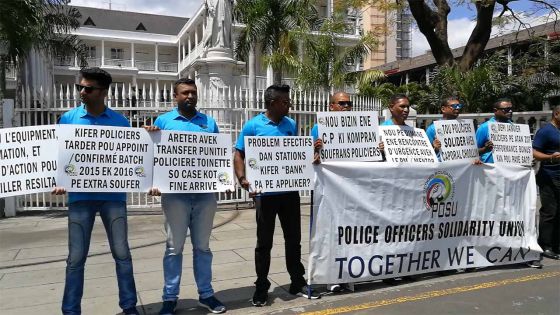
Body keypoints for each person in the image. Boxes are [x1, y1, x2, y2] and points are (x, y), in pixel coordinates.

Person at [53, 67, 139, 315]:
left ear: (103, 92)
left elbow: (131, 158)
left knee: (122, 254)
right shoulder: (68, 119)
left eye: (88, 88)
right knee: (76, 258)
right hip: (80, 199)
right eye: (80, 87)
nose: (82, 91)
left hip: (113, 199)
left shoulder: (121, 122)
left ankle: (129, 306)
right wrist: (59, 179)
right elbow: (58, 156)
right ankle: (70, 310)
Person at [233, 84, 321, 307]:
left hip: (289, 193)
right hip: (265, 194)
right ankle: (261, 286)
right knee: (264, 242)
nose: (289, 104)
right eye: (285, 101)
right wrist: (243, 179)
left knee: (294, 240)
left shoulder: (290, 124)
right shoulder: (253, 125)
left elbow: (295, 154)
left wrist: (314, 150)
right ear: (272, 103)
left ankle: (296, 281)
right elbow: (239, 154)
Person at [145, 78, 226, 315]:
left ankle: (206, 294)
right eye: (184, 93)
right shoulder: (163, 121)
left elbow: (217, 155)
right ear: (175, 96)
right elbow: (152, 154)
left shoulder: (208, 122)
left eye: (193, 92)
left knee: (203, 248)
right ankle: (170, 298)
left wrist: (224, 179)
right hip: (175, 196)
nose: (190, 96)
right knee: (174, 248)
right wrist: (153, 181)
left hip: (204, 195)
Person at [533, 105, 560, 262]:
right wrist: (550, 158)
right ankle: (545, 246)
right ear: (556, 114)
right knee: (550, 212)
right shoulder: (545, 131)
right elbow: (534, 152)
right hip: (549, 176)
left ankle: (556, 244)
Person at [311, 91, 353, 165]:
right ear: (331, 107)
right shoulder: (318, 128)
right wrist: (316, 150)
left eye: (349, 103)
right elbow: (310, 157)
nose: (346, 106)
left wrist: (378, 149)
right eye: (342, 103)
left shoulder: (357, 128)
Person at [475, 99, 514, 163]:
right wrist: (485, 149)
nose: (510, 111)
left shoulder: (514, 127)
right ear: (495, 110)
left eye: (511, 108)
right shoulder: (484, 127)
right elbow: (473, 152)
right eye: (506, 109)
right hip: (490, 169)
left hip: (508, 169)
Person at [426, 96, 464, 161]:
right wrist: (434, 147)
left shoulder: (463, 127)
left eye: (459, 105)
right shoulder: (432, 128)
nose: (457, 108)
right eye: (454, 106)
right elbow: (426, 154)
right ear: (443, 109)